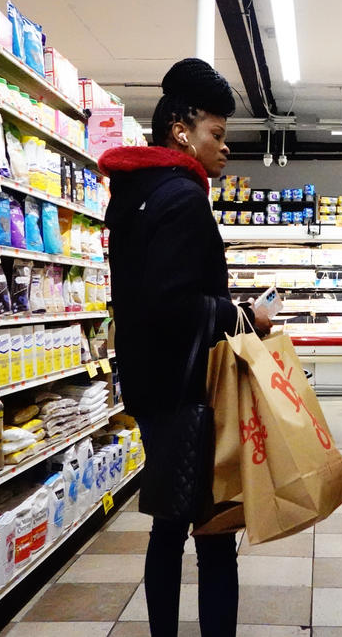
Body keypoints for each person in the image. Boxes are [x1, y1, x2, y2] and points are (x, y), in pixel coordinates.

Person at [99, 58, 271, 637]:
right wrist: (244, 314)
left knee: (169, 528)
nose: (225, 149)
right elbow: (173, 305)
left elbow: (149, 298)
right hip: (187, 391)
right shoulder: (182, 196)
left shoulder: (137, 194)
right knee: (215, 536)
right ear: (182, 130)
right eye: (217, 135)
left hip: (155, 389)